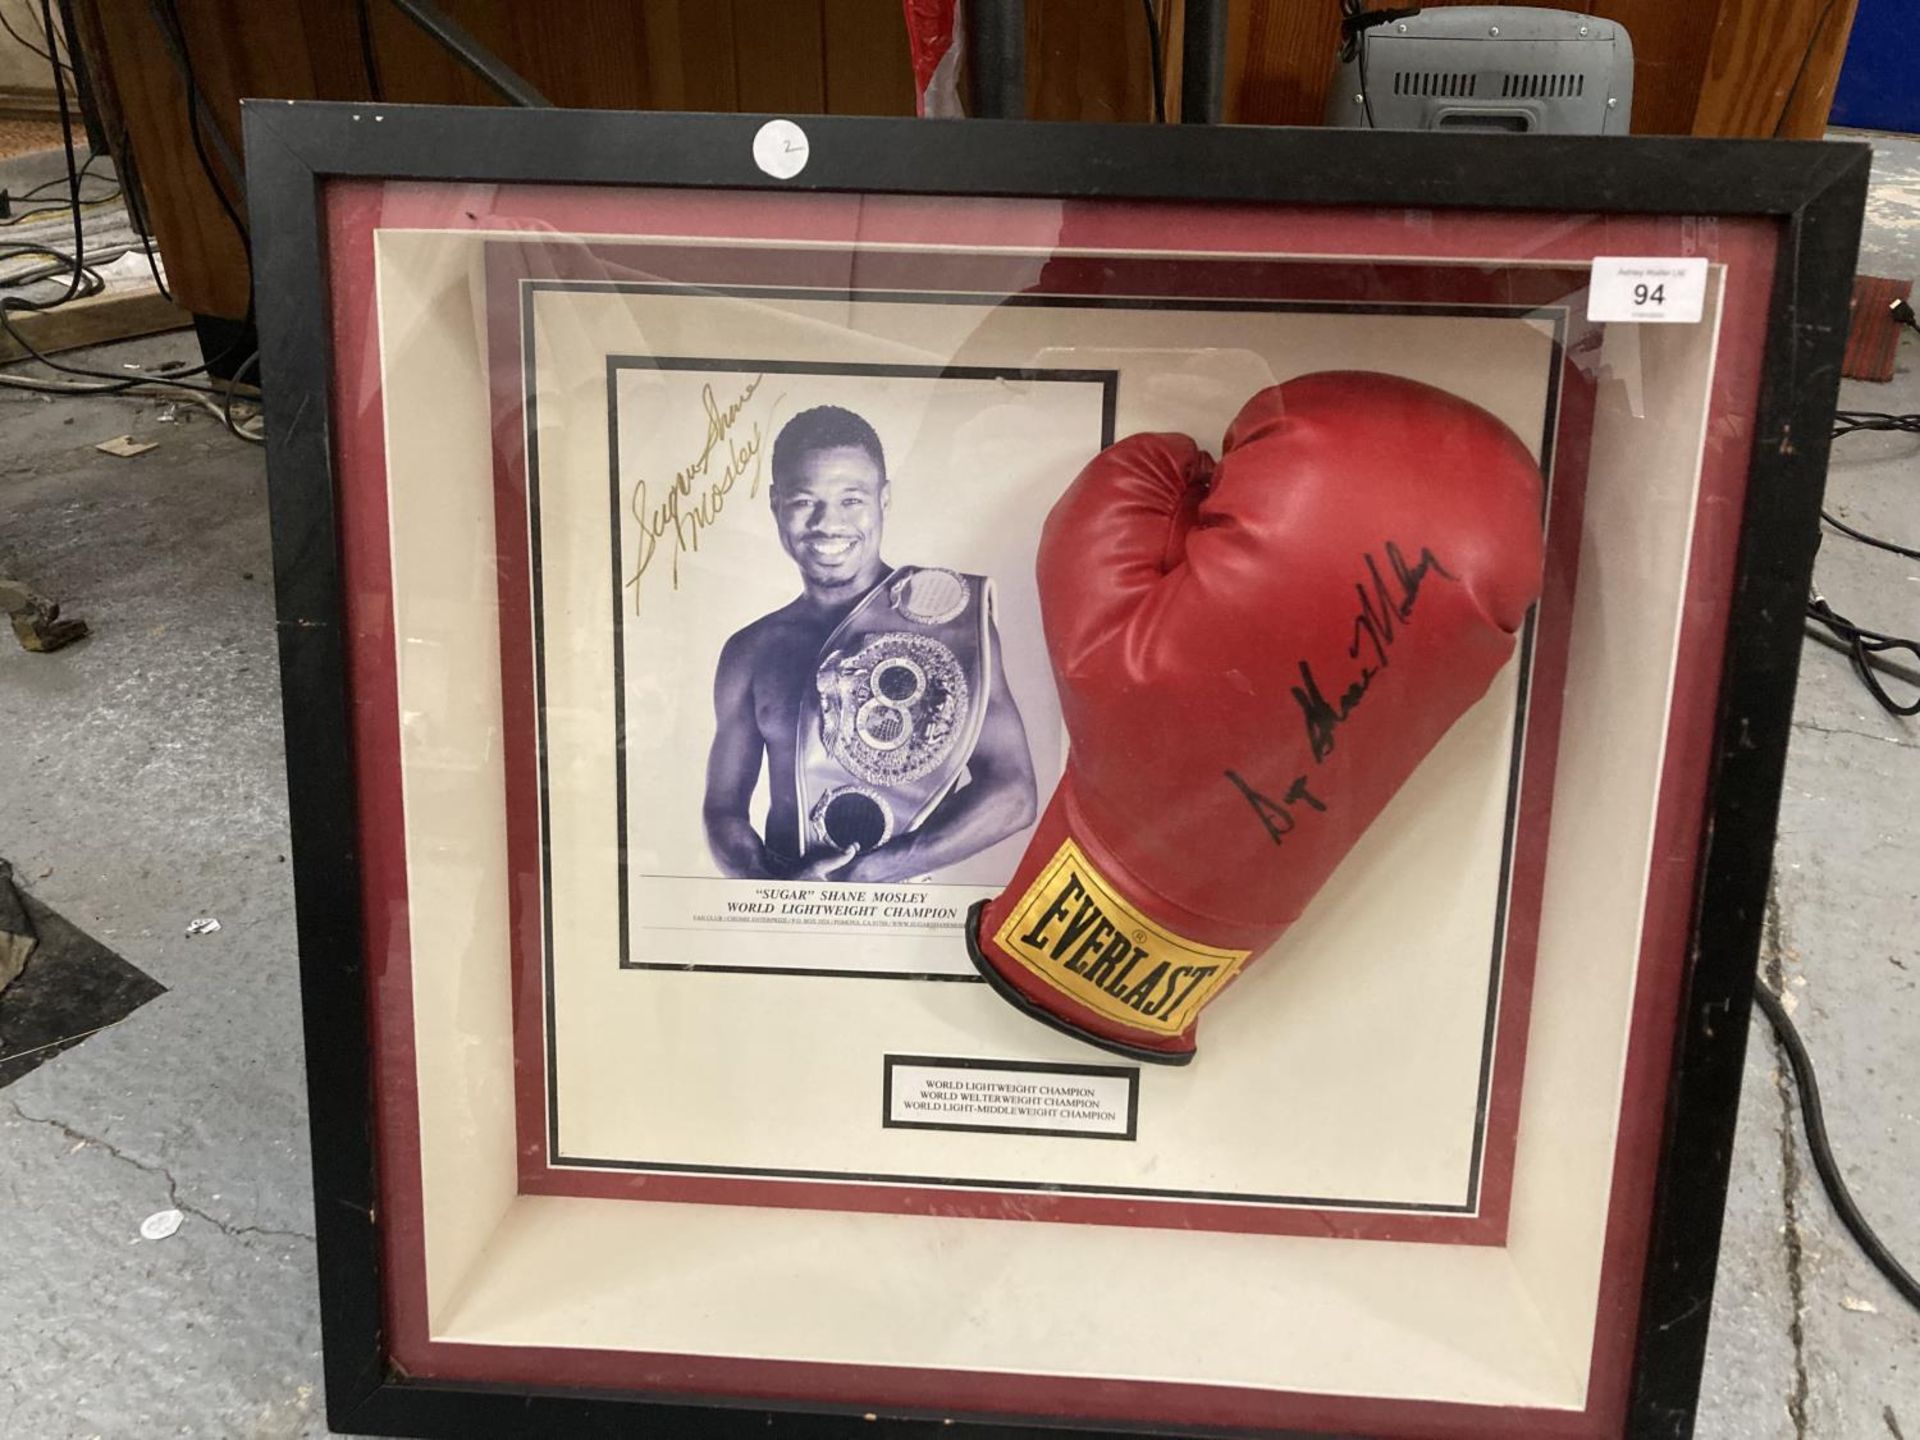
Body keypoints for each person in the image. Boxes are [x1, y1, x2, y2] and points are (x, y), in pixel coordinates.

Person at [704, 405, 1036, 884]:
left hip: (903, 917)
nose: (828, 523)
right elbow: (722, 812)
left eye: (851, 500)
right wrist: (773, 888)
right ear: (776, 503)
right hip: (782, 914)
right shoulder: (750, 650)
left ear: (885, 499)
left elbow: (1014, 794)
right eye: (803, 501)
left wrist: (875, 873)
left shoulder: (949, 623)